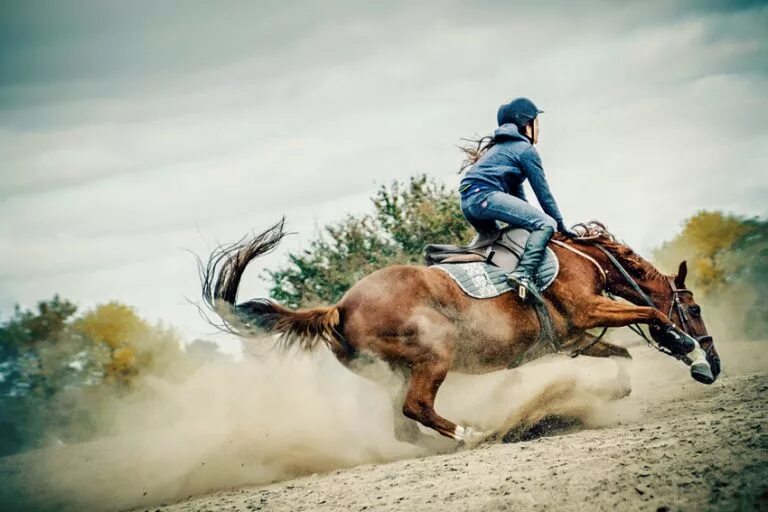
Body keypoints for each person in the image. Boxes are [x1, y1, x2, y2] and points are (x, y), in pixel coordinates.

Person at [458, 97, 577, 301]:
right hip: (485, 196)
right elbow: (544, 196)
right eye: (536, 123)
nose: (539, 129)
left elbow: (519, 199)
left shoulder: (500, 149)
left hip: (468, 201)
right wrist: (561, 226)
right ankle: (523, 275)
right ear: (527, 125)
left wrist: (532, 221)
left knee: (492, 243)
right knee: (546, 222)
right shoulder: (525, 150)